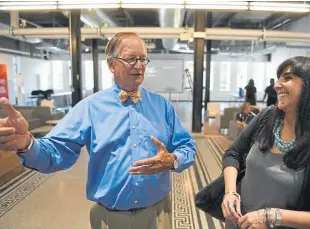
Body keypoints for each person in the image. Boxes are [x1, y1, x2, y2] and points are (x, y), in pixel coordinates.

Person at [0, 32, 196, 229]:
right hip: (109, 219)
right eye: (130, 59)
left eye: (143, 58)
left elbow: (187, 146)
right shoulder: (90, 108)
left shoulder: (162, 106)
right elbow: (55, 152)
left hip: (159, 215)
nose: (139, 65)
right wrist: (27, 144)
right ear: (111, 65)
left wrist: (172, 160)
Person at [221, 56, 310, 229]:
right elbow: (233, 153)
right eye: (279, 78)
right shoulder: (267, 117)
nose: (277, 85)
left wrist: (272, 217)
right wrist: (230, 192)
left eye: (288, 78)